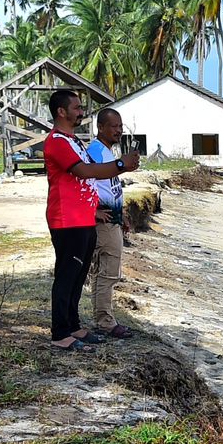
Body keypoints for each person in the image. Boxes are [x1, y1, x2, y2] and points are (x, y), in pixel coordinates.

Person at [44, 90, 139, 352]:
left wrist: (97, 209)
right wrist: (121, 165)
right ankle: (60, 332)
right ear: (61, 112)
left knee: (78, 276)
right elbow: (84, 172)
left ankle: (73, 325)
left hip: (83, 218)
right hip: (67, 220)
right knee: (66, 276)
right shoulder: (56, 141)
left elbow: (89, 180)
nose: (81, 111)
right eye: (76, 107)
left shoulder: (73, 141)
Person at [86, 108, 136, 339]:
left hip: (112, 217)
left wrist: (121, 213)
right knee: (108, 273)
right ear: (101, 128)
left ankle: (102, 318)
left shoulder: (105, 152)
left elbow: (110, 186)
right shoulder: (96, 150)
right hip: (103, 221)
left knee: (104, 272)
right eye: (114, 126)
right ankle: (105, 321)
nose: (119, 130)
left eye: (120, 125)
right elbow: (87, 180)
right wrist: (95, 210)